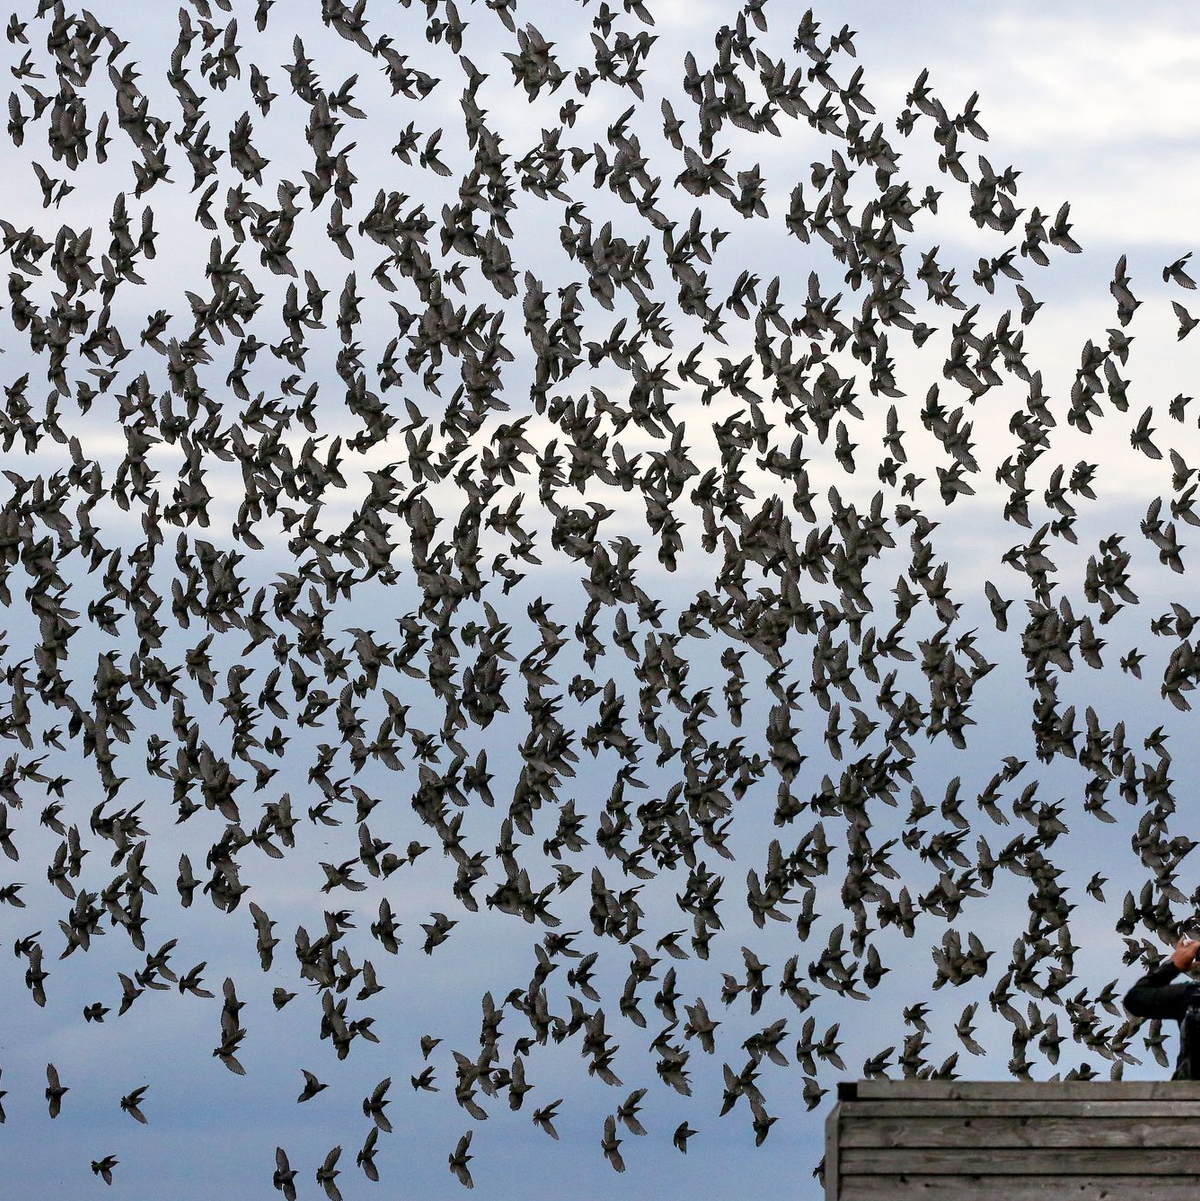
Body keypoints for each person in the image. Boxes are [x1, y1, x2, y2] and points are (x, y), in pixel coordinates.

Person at [1123, 934, 1200, 1079]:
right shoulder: (1192, 995)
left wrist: (1173, 965)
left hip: (1191, 1092)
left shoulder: (1192, 995)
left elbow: (1135, 998)